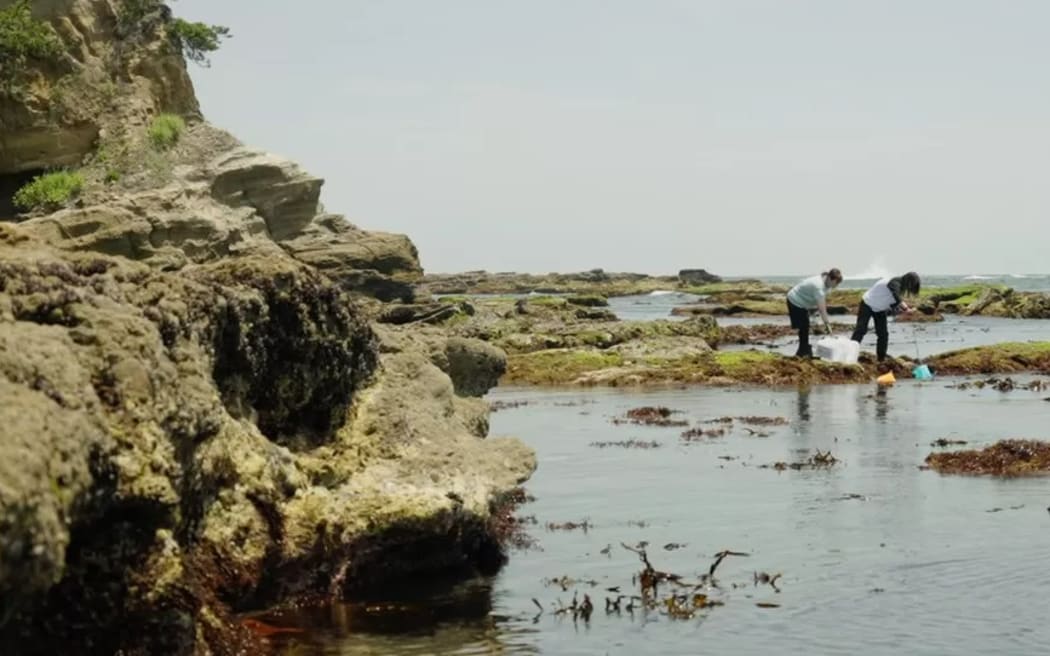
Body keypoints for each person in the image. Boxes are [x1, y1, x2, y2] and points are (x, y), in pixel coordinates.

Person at [850, 272, 921, 361]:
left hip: (879, 309)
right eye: (912, 286)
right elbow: (895, 295)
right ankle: (850, 354)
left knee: (883, 334)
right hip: (867, 303)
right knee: (861, 330)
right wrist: (906, 308)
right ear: (908, 282)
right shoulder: (895, 282)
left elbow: (893, 306)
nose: (910, 289)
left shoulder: (899, 289)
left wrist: (903, 312)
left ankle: (881, 358)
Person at [786, 269, 843, 358]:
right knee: (803, 326)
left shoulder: (826, 282)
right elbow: (822, 310)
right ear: (830, 279)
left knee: (805, 326)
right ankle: (803, 352)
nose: (835, 286)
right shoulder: (818, 286)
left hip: (804, 303)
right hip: (795, 300)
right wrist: (828, 326)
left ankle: (803, 351)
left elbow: (820, 302)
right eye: (835, 284)